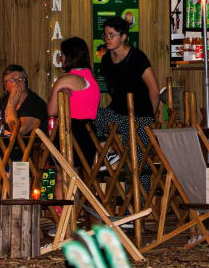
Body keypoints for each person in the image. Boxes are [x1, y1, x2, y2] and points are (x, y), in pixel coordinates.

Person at [98, 17, 159, 189]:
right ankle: (110, 155)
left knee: (139, 163)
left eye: (112, 35)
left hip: (140, 114)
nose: (107, 38)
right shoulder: (106, 60)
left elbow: (154, 91)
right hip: (118, 111)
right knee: (92, 117)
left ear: (123, 37)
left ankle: (141, 205)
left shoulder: (137, 58)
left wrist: (149, 118)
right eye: (106, 35)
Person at [48, 37, 101, 169]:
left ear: (69, 56)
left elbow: (51, 111)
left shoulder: (67, 80)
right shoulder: (92, 78)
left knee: (62, 177)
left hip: (71, 132)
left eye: (62, 54)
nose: (61, 58)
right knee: (77, 178)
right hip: (89, 134)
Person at [2, 64, 48, 134]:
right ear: (5, 86)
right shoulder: (3, 101)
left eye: (20, 79)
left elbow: (18, 132)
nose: (17, 82)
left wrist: (11, 106)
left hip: (31, 144)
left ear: (25, 83)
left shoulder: (35, 103)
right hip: (3, 144)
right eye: (12, 79)